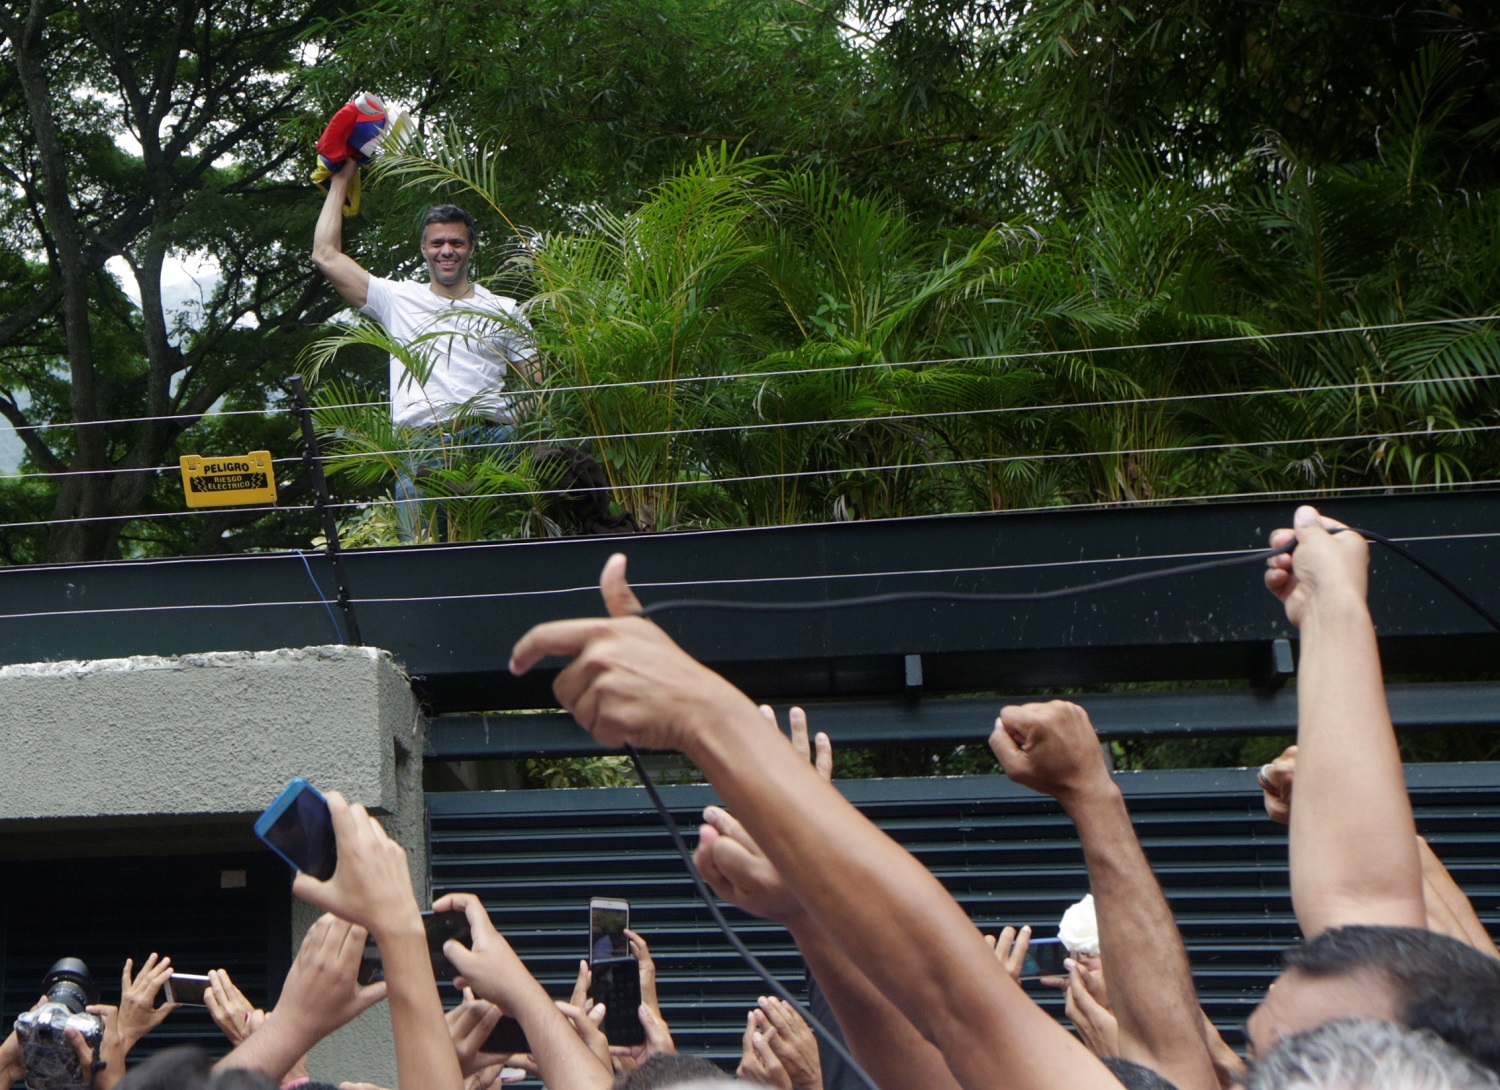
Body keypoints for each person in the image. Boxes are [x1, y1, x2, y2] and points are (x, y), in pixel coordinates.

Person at [312, 166, 538, 541]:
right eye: (437, 243)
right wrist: (341, 177)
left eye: (456, 242)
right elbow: (325, 255)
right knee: (420, 542)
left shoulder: (505, 308)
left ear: (471, 249)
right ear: (424, 249)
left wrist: (513, 424)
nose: (446, 250)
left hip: (493, 441)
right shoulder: (396, 299)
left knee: (511, 535)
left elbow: (542, 387)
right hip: (423, 445)